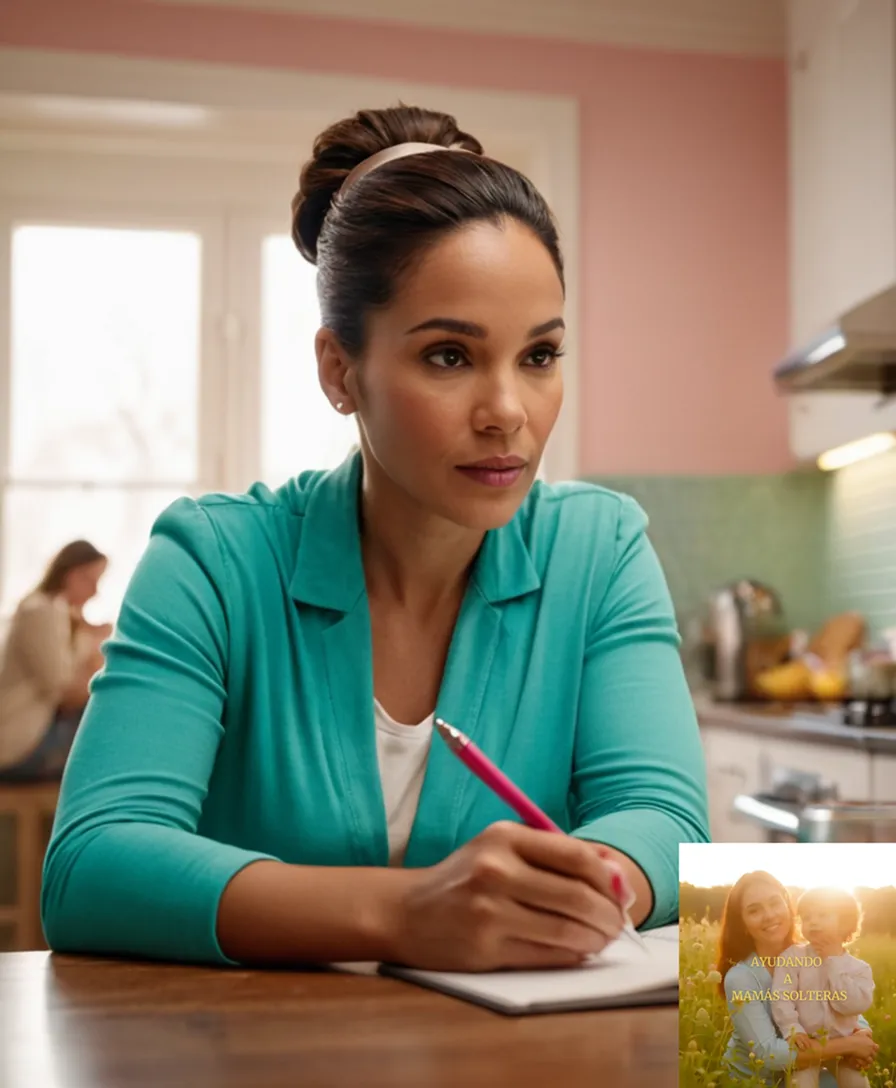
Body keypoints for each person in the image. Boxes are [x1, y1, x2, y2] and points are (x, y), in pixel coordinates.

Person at [41, 105, 709, 970]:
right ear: (339, 370)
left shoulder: (602, 548)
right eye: (448, 356)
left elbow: (666, 820)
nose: (508, 412)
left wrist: (601, 879)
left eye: (539, 356)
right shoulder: (211, 561)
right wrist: (406, 914)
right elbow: (92, 865)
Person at [718, 872, 878, 1085]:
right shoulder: (741, 978)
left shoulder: (815, 954)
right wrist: (849, 1045)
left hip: (810, 1064)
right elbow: (768, 1054)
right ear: (743, 924)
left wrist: (862, 1032)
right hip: (757, 1080)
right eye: (754, 910)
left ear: (788, 906)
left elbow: (837, 1002)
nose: (769, 915)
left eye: (775, 903)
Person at [0, 540, 110, 780]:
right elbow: (65, 691)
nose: (95, 592)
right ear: (71, 575)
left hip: (40, 729)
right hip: (20, 741)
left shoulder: (60, 613)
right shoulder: (39, 611)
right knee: (110, 738)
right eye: (91, 581)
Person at [771, 887, 874, 1088]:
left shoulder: (859, 969)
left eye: (822, 915)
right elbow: (781, 997)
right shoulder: (792, 958)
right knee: (800, 1084)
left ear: (845, 922)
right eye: (807, 917)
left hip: (844, 1048)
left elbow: (852, 1006)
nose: (813, 922)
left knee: (857, 1083)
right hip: (807, 1044)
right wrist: (793, 1030)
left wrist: (832, 961)